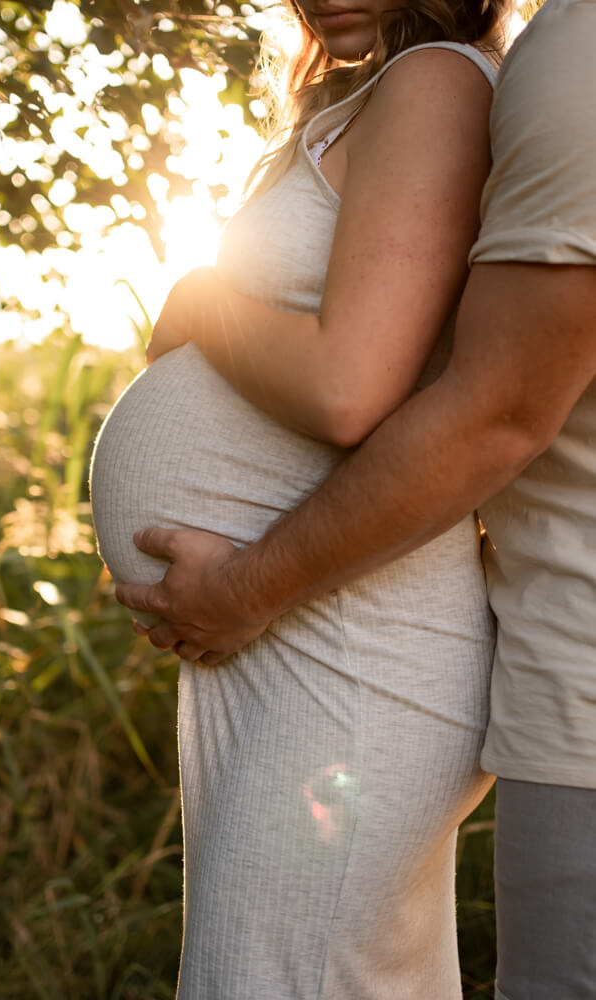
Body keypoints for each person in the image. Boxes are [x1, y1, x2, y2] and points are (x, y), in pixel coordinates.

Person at [115, 0, 596, 997]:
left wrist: (202, 301)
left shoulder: (438, 82)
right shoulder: (391, 89)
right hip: (309, 634)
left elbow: (349, 388)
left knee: (273, 974)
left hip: (347, 640)